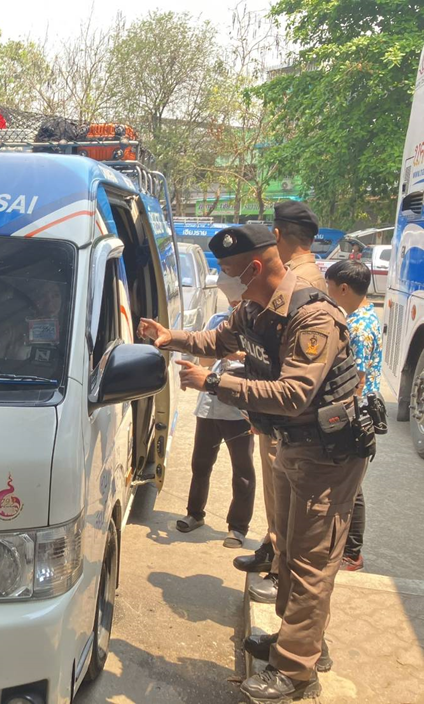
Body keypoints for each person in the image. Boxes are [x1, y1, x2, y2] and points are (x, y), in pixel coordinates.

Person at [138, 223, 371, 702]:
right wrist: (170, 337)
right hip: (292, 444)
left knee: (310, 562)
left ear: (256, 268)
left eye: (228, 270)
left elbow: (293, 394)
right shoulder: (253, 309)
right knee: (287, 550)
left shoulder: (312, 316)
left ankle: (295, 673)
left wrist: (214, 383)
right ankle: (297, 642)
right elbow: (216, 341)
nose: (223, 279)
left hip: (328, 454)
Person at [233, 200, 327, 605]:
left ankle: (278, 567)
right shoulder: (308, 275)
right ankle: (274, 551)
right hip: (280, 410)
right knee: (279, 497)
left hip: (289, 415)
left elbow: (284, 363)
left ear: (275, 235)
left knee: (284, 501)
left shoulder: (296, 281)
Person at [177, 302, 256, 548]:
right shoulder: (218, 320)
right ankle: (194, 513)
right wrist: (222, 352)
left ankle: (238, 527)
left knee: (242, 470)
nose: (235, 303)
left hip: (240, 409)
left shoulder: (259, 324)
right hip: (209, 405)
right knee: (200, 463)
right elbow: (204, 360)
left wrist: (239, 355)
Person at [326, 260, 383, 572]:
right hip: (362, 410)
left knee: (352, 487)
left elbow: (356, 379)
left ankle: (352, 553)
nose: (328, 291)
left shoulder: (358, 328)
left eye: (330, 286)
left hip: (357, 413)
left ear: (344, 288)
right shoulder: (365, 315)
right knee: (351, 484)